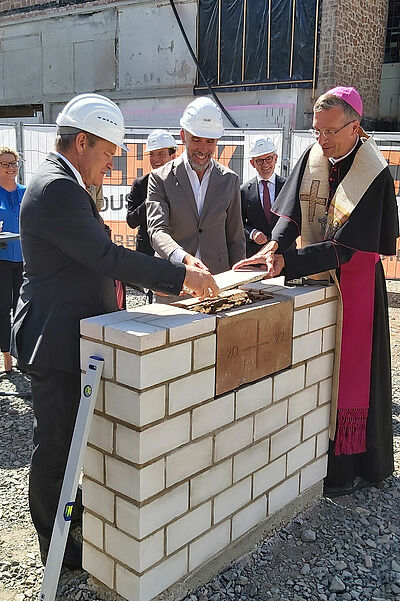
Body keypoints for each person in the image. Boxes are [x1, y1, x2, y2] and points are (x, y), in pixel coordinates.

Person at [11, 93, 219, 570]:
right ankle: (55, 546)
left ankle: (72, 515)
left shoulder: (65, 180)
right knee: (56, 448)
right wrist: (180, 276)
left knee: (71, 444)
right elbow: (105, 256)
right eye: (107, 155)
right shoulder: (56, 187)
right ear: (81, 142)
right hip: (55, 339)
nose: (109, 166)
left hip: (71, 334)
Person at [234, 87, 399, 497]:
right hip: (315, 276)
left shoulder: (373, 172)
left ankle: (349, 465)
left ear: (355, 127)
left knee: (351, 374)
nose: (320, 140)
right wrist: (274, 245)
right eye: (315, 130)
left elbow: (349, 247)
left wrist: (289, 263)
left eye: (329, 132)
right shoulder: (313, 158)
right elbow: (292, 214)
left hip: (354, 282)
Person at [146, 96, 245, 302]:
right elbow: (157, 232)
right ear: (183, 135)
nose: (203, 149)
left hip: (217, 285)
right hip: (174, 285)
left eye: (210, 141)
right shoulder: (160, 178)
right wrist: (184, 260)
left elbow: (235, 239)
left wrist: (239, 283)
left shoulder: (230, 180)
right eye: (196, 139)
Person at [126, 130, 177, 303]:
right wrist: (152, 199)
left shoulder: (184, 183)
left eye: (161, 154)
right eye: (152, 154)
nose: (156, 159)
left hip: (177, 251)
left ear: (173, 155)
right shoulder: (140, 184)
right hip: (148, 251)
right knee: (153, 304)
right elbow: (131, 221)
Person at [0, 146, 25, 373]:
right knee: (3, 308)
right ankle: (6, 355)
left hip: (24, 260)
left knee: (22, 307)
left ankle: (21, 354)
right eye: (5, 164)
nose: (10, 168)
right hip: (2, 260)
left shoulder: (26, 192)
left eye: (13, 163)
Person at [241, 137, 286, 257]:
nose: (265, 164)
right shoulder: (244, 191)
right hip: (256, 256)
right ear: (252, 163)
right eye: (259, 160)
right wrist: (252, 233)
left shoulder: (288, 187)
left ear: (275, 158)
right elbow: (237, 223)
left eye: (268, 158)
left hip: (284, 254)